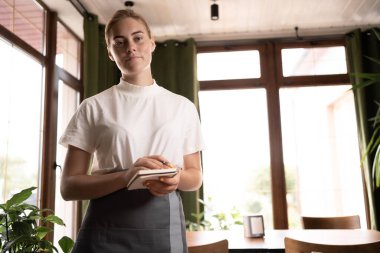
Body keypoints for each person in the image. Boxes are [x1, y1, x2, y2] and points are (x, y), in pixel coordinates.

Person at [59, 9, 204, 253]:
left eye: (138, 38)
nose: (130, 47)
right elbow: (69, 187)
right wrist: (127, 177)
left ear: (152, 43)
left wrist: (177, 178)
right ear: (109, 52)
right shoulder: (93, 106)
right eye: (119, 42)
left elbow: (195, 176)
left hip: (163, 229)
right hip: (104, 230)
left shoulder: (182, 107)